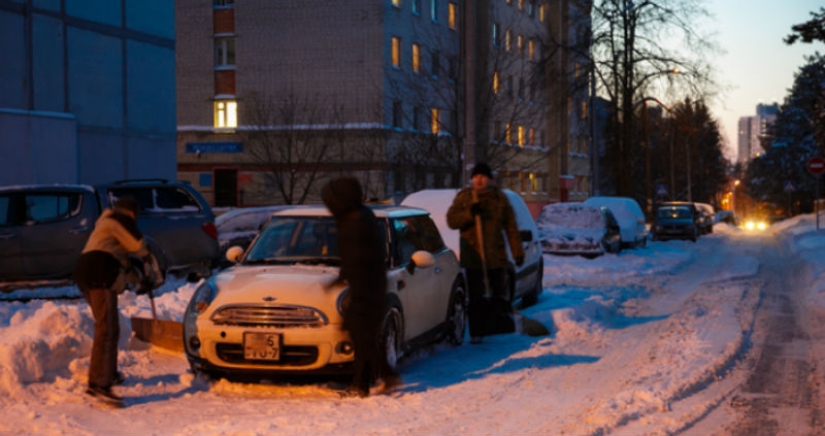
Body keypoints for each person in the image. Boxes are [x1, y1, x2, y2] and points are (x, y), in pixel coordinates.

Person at [321, 176, 400, 398]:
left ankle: (371, 381)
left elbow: (359, 258)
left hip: (366, 289)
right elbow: (355, 256)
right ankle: (368, 381)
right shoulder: (357, 216)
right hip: (367, 286)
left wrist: (348, 280)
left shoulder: (354, 221)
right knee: (362, 338)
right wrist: (342, 277)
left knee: (362, 337)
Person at [73, 196, 151, 407]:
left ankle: (107, 373)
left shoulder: (107, 227)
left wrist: (138, 279)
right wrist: (149, 255)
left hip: (90, 273)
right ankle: (99, 384)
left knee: (109, 327)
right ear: (131, 213)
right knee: (106, 328)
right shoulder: (117, 219)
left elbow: (123, 261)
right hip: (99, 274)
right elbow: (138, 245)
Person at [447, 162, 524, 344]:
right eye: (476, 177)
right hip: (473, 257)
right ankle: (477, 333)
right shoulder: (465, 198)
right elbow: (451, 220)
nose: (479, 180)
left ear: (490, 179)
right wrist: (469, 214)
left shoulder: (500, 199)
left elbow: (511, 227)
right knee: (476, 297)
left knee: (498, 295)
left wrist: (517, 252)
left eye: (483, 177)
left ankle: (496, 327)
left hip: (496, 257)